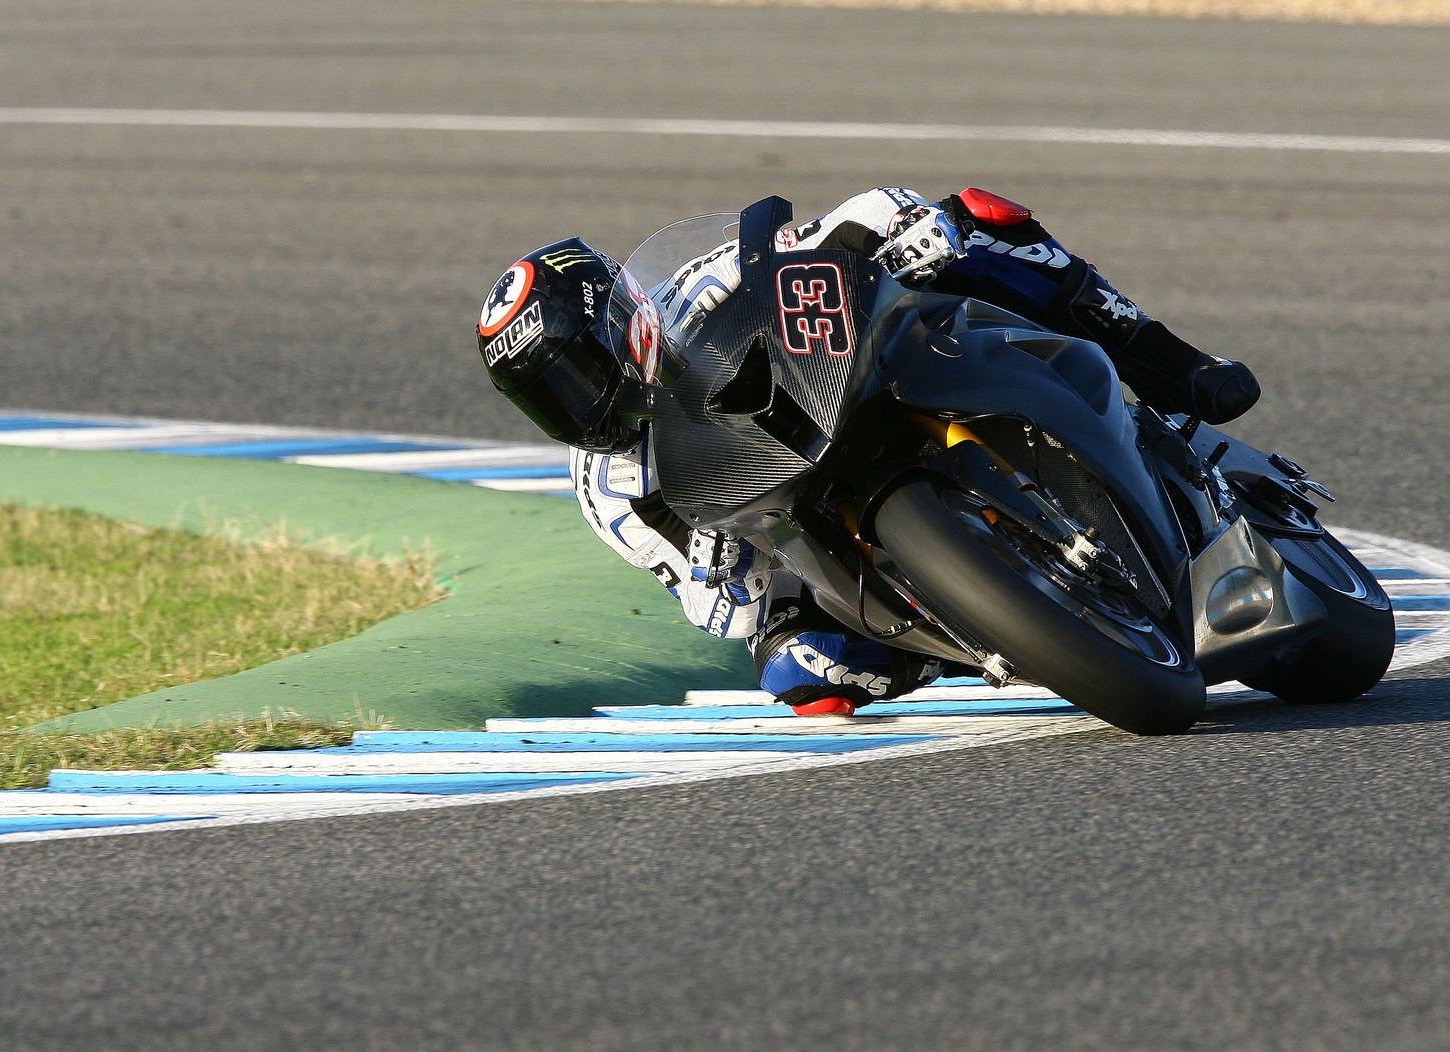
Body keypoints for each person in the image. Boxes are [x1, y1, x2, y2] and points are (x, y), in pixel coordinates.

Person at [477, 187, 1259, 717]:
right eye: (550, 400)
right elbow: (718, 605)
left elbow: (828, 230)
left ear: (620, 316)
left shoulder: (694, 287)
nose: (580, 406)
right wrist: (718, 558)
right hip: (797, 516)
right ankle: (986, 636)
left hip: (865, 381)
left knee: (975, 218)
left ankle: (1171, 361)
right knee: (797, 670)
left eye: (578, 375)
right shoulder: (609, 490)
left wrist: (901, 228)